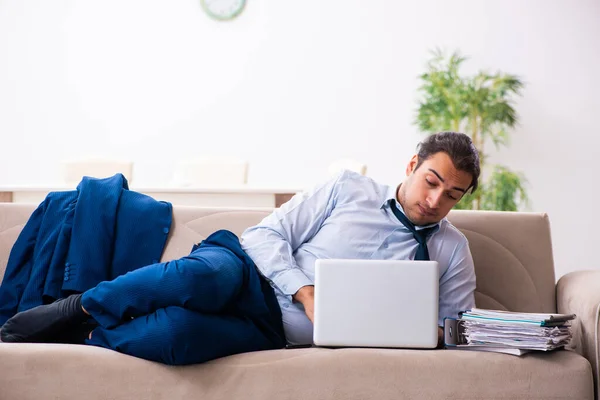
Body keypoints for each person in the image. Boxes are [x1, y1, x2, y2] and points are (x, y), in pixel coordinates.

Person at [0, 131, 479, 364]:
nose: (436, 200)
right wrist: (305, 292)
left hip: (272, 332)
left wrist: (433, 335)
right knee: (200, 279)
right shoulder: (348, 188)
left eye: (452, 195)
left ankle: (88, 337)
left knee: (176, 338)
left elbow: (458, 327)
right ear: (412, 164)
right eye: (432, 182)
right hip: (245, 270)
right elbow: (263, 236)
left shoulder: (451, 249)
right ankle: (76, 306)